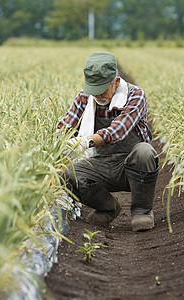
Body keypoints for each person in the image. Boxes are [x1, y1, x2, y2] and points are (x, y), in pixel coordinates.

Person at [57, 51, 159, 232]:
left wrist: (85, 141)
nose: (97, 95)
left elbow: (118, 130)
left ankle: (142, 211)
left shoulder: (135, 95)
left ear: (116, 82)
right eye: (93, 89)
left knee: (145, 151)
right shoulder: (85, 97)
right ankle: (108, 207)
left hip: (132, 165)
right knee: (66, 174)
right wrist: (56, 142)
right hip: (102, 163)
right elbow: (65, 126)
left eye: (102, 88)